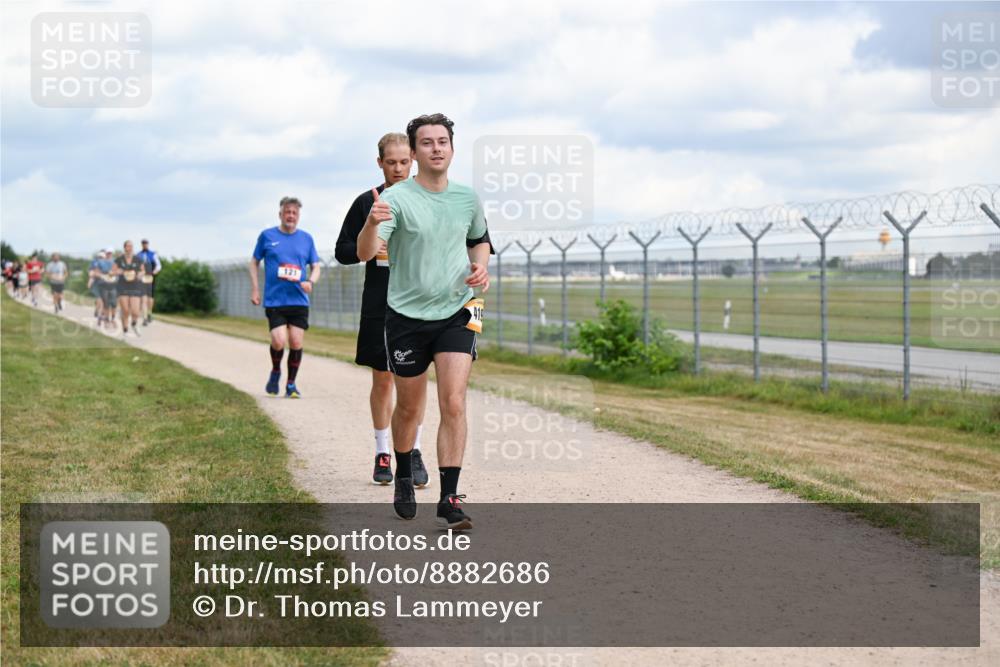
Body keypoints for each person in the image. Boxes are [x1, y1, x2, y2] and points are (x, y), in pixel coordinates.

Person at [358, 113, 490, 529]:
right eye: (427, 142)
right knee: (410, 408)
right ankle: (402, 471)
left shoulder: (468, 198)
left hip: (458, 309)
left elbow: (479, 239)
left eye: (443, 141)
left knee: (453, 401)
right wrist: (371, 222)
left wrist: (480, 268)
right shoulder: (396, 200)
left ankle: (449, 497)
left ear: (451, 148)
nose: (436, 148)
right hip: (406, 317)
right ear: (413, 153)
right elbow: (366, 253)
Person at [336, 132, 433, 487]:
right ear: (380, 163)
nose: (398, 169)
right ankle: (382, 451)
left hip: (421, 302)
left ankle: (416, 448)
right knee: (384, 378)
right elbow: (343, 251)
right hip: (380, 302)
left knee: (416, 380)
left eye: (404, 162)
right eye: (390, 162)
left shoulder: (430, 199)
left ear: (414, 161)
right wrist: (371, 230)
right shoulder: (368, 201)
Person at [250, 196, 321, 398]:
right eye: (287, 212)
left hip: (298, 300)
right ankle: (275, 371)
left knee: (296, 342)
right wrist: (255, 289)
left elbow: (315, 266)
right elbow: (253, 262)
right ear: (280, 214)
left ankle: (291, 384)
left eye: (294, 213)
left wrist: (311, 282)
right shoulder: (267, 236)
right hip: (275, 300)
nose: (290, 216)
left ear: (298, 216)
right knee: (279, 340)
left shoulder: (306, 239)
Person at [114, 241, 145, 337]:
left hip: (135, 286)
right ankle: (125, 330)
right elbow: (112, 271)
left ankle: (134, 324)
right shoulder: (119, 260)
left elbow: (143, 270)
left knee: (135, 311)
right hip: (123, 286)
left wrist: (140, 274)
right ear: (124, 248)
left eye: (131, 246)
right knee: (126, 310)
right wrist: (118, 271)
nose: (130, 248)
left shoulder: (137, 259)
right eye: (128, 246)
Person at [137, 239, 162, 325]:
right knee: (143, 298)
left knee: (150, 297)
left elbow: (158, 265)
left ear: (148, 244)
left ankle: (149, 313)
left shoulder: (153, 254)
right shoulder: (138, 255)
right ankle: (144, 318)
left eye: (146, 243)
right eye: (143, 244)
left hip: (150, 277)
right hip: (141, 277)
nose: (144, 245)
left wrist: (154, 272)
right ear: (141, 245)